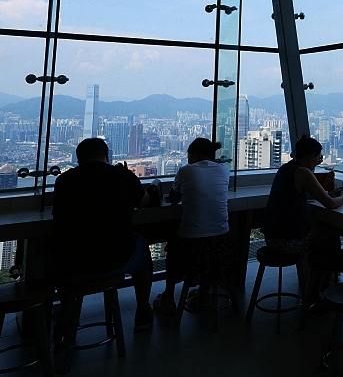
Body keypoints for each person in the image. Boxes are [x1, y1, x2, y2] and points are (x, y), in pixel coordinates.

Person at [52, 138, 156, 331]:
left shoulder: (64, 181)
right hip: (116, 260)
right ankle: (142, 312)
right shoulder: (121, 176)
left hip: (73, 263)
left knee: (51, 256)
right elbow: (145, 202)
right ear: (106, 155)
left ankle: (68, 319)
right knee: (142, 247)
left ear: (79, 159)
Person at [152, 137, 238, 316]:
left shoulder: (186, 171)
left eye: (189, 155)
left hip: (190, 248)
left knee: (173, 248)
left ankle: (168, 297)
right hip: (223, 244)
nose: (187, 159)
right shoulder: (224, 171)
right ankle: (205, 288)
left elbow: (174, 198)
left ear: (196, 153)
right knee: (207, 241)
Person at [261, 135, 343, 254]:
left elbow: (299, 194)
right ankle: (324, 272)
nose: (319, 161)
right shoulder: (303, 172)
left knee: (317, 228)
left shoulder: (285, 168)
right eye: (318, 157)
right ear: (311, 157)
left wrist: (328, 193)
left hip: (271, 238)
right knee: (330, 233)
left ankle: (316, 271)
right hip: (286, 243)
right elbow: (331, 204)